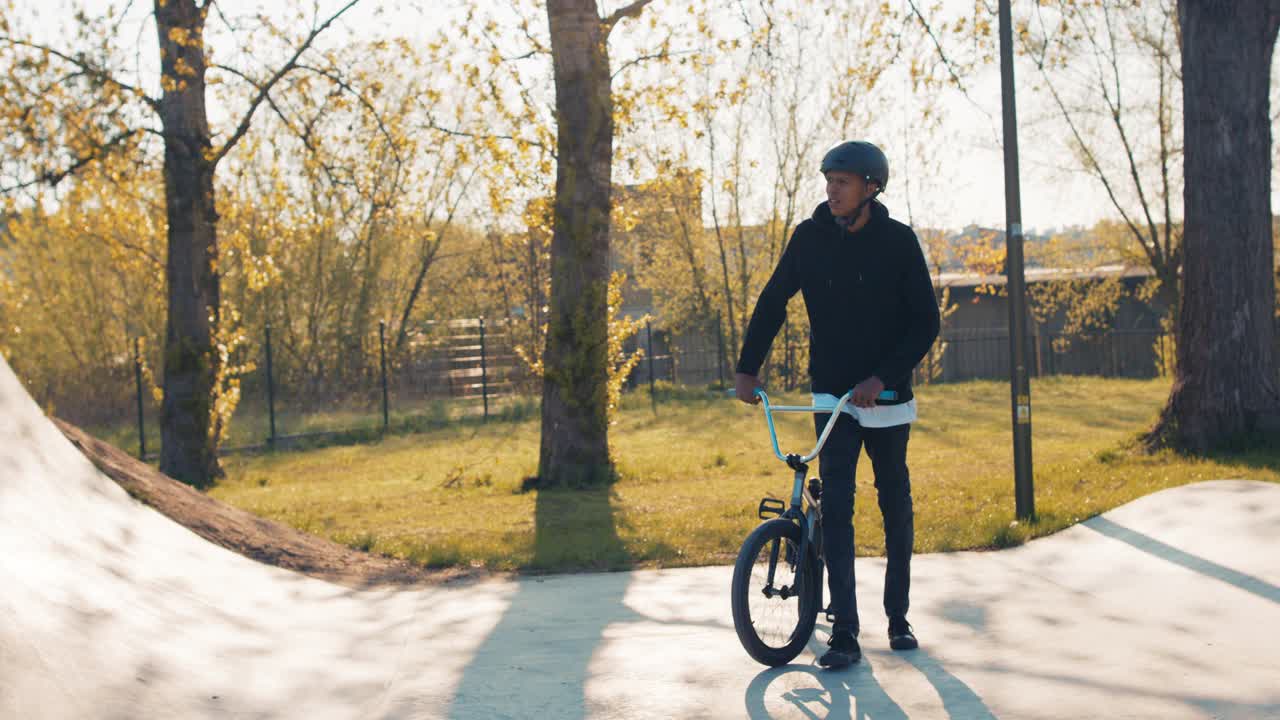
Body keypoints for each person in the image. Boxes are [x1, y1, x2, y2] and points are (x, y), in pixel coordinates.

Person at [734, 140, 940, 669]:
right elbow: (773, 300)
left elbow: (926, 323)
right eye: (828, 180)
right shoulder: (809, 238)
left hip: (887, 399)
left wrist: (883, 377)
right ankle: (845, 631)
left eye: (843, 181)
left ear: (871, 187)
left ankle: (897, 616)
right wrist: (747, 366)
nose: (832, 189)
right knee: (839, 508)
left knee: (894, 504)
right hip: (833, 394)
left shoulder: (898, 242)